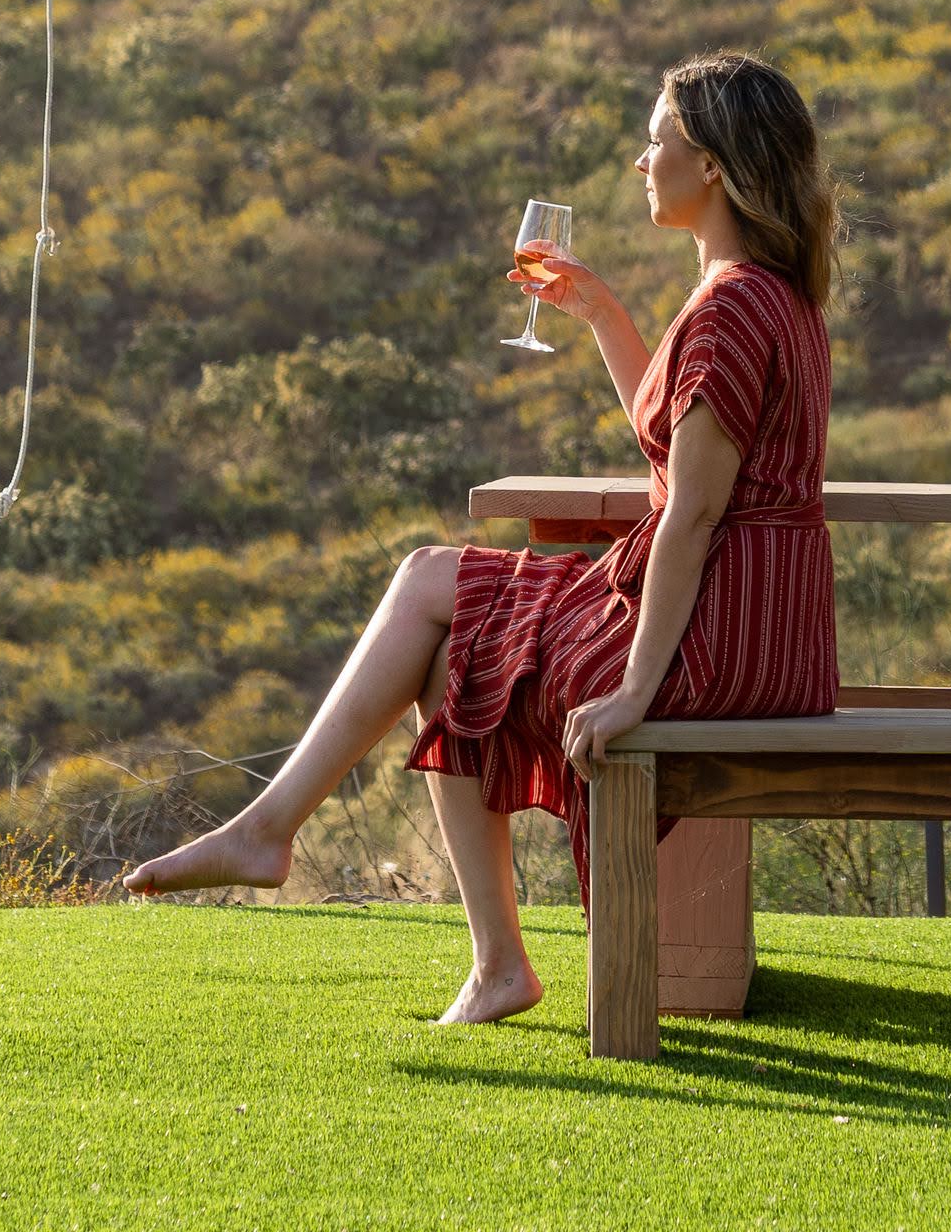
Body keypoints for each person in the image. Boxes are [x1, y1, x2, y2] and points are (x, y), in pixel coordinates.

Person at [122, 51, 841, 1024]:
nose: (641, 161)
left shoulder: (727, 309)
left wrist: (634, 690)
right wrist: (601, 313)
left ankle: (270, 831)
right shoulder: (773, 297)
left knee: (430, 582)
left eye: (656, 138)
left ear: (710, 163)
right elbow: (678, 442)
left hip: (719, 641)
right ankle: (491, 963)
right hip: (774, 630)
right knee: (453, 637)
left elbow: (693, 510)